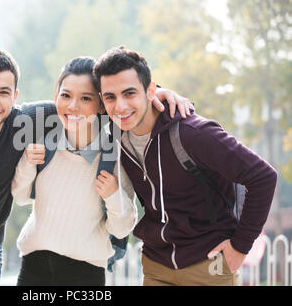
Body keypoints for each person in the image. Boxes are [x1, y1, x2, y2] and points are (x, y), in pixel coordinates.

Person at [0, 48, 191, 286]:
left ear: (15, 97)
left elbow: (109, 84)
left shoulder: (30, 123)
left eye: (3, 93)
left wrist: (155, 92)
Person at [93, 46, 278, 286]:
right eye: (110, 97)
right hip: (156, 265)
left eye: (129, 93)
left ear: (150, 91)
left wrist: (239, 247)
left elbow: (263, 177)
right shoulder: (116, 133)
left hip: (208, 264)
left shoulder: (193, 133)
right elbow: (69, 107)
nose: (119, 106)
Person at [11, 56, 137, 286]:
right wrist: (28, 164)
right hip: (33, 269)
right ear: (56, 96)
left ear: (100, 105)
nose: (73, 106)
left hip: (85, 274)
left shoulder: (113, 157)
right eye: (66, 95)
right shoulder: (43, 143)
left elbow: (121, 229)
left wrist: (113, 194)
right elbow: (20, 197)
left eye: (85, 98)